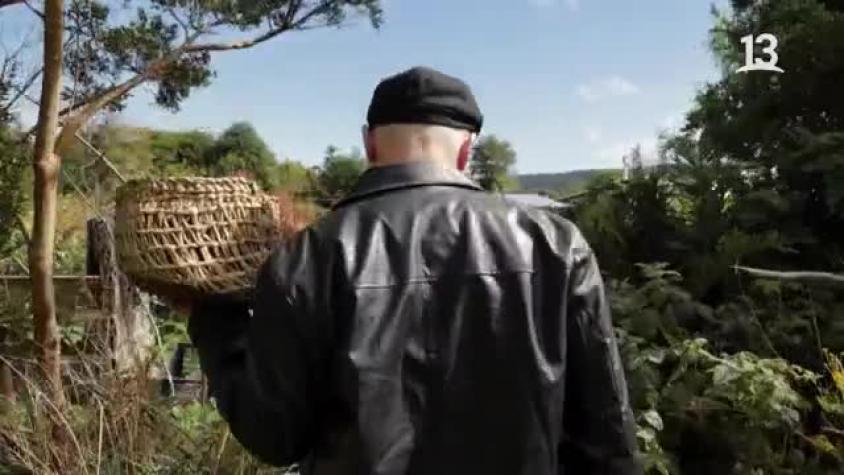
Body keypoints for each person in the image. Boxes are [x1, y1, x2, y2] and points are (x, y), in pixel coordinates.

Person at [184, 66, 641, 474]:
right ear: (466, 152)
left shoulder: (307, 257)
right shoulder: (557, 246)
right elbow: (606, 435)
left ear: (369, 144)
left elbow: (274, 436)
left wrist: (213, 319)